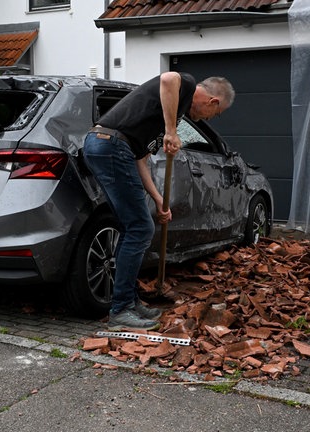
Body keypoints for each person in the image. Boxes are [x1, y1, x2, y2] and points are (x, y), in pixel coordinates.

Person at [82, 72, 235, 330]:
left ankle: (129, 302)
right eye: (215, 115)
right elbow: (168, 79)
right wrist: (172, 131)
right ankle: (120, 310)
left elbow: (139, 159)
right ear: (213, 102)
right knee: (141, 229)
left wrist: (159, 199)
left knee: (134, 228)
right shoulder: (185, 85)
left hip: (111, 147)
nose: (210, 118)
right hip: (109, 145)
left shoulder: (166, 113)